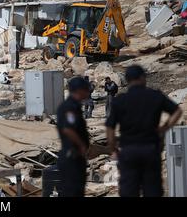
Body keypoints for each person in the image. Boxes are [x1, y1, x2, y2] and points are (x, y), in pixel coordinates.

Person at [106, 65, 182, 197]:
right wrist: (164, 128)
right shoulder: (155, 96)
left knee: (129, 191)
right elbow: (177, 111)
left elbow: (110, 128)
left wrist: (113, 149)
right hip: (150, 149)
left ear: (128, 80)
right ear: (142, 78)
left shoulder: (120, 101)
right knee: (152, 190)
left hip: (128, 151)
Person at [57, 77, 91, 197]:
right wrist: (81, 145)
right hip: (71, 158)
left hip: (76, 158)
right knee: (72, 192)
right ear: (79, 90)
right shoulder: (69, 107)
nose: (88, 92)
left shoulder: (75, 106)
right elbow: (68, 129)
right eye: (85, 89)